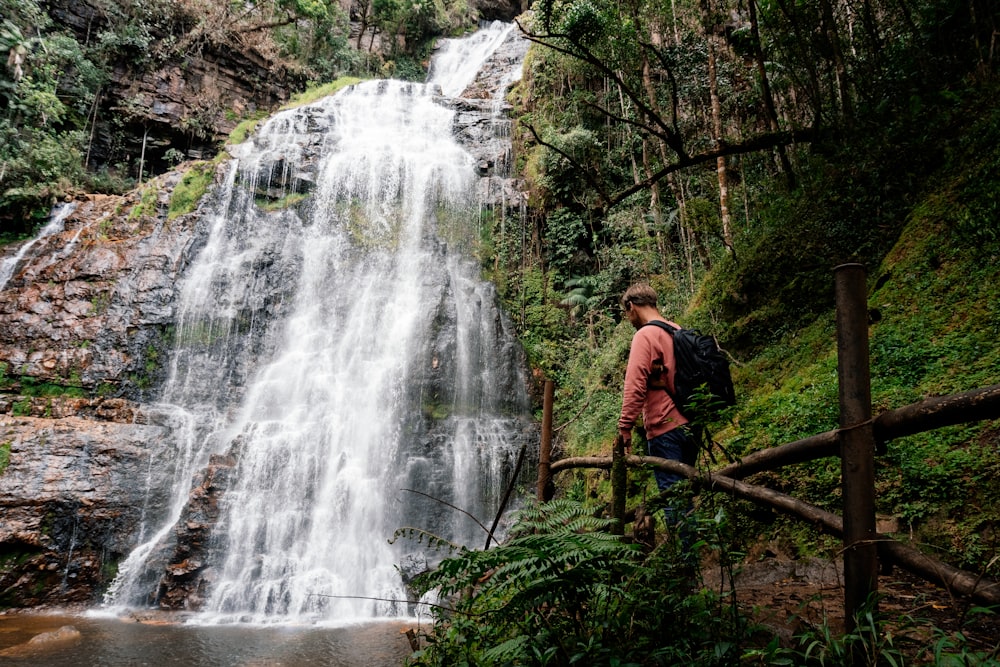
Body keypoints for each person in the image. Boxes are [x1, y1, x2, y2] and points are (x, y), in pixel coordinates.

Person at [617, 283, 697, 533]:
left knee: (674, 499)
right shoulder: (677, 330)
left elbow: (635, 385)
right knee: (685, 495)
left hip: (665, 428)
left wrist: (625, 427)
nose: (629, 318)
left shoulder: (645, 335)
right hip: (691, 424)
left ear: (631, 307)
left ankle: (686, 566)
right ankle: (691, 557)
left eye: (626, 312)